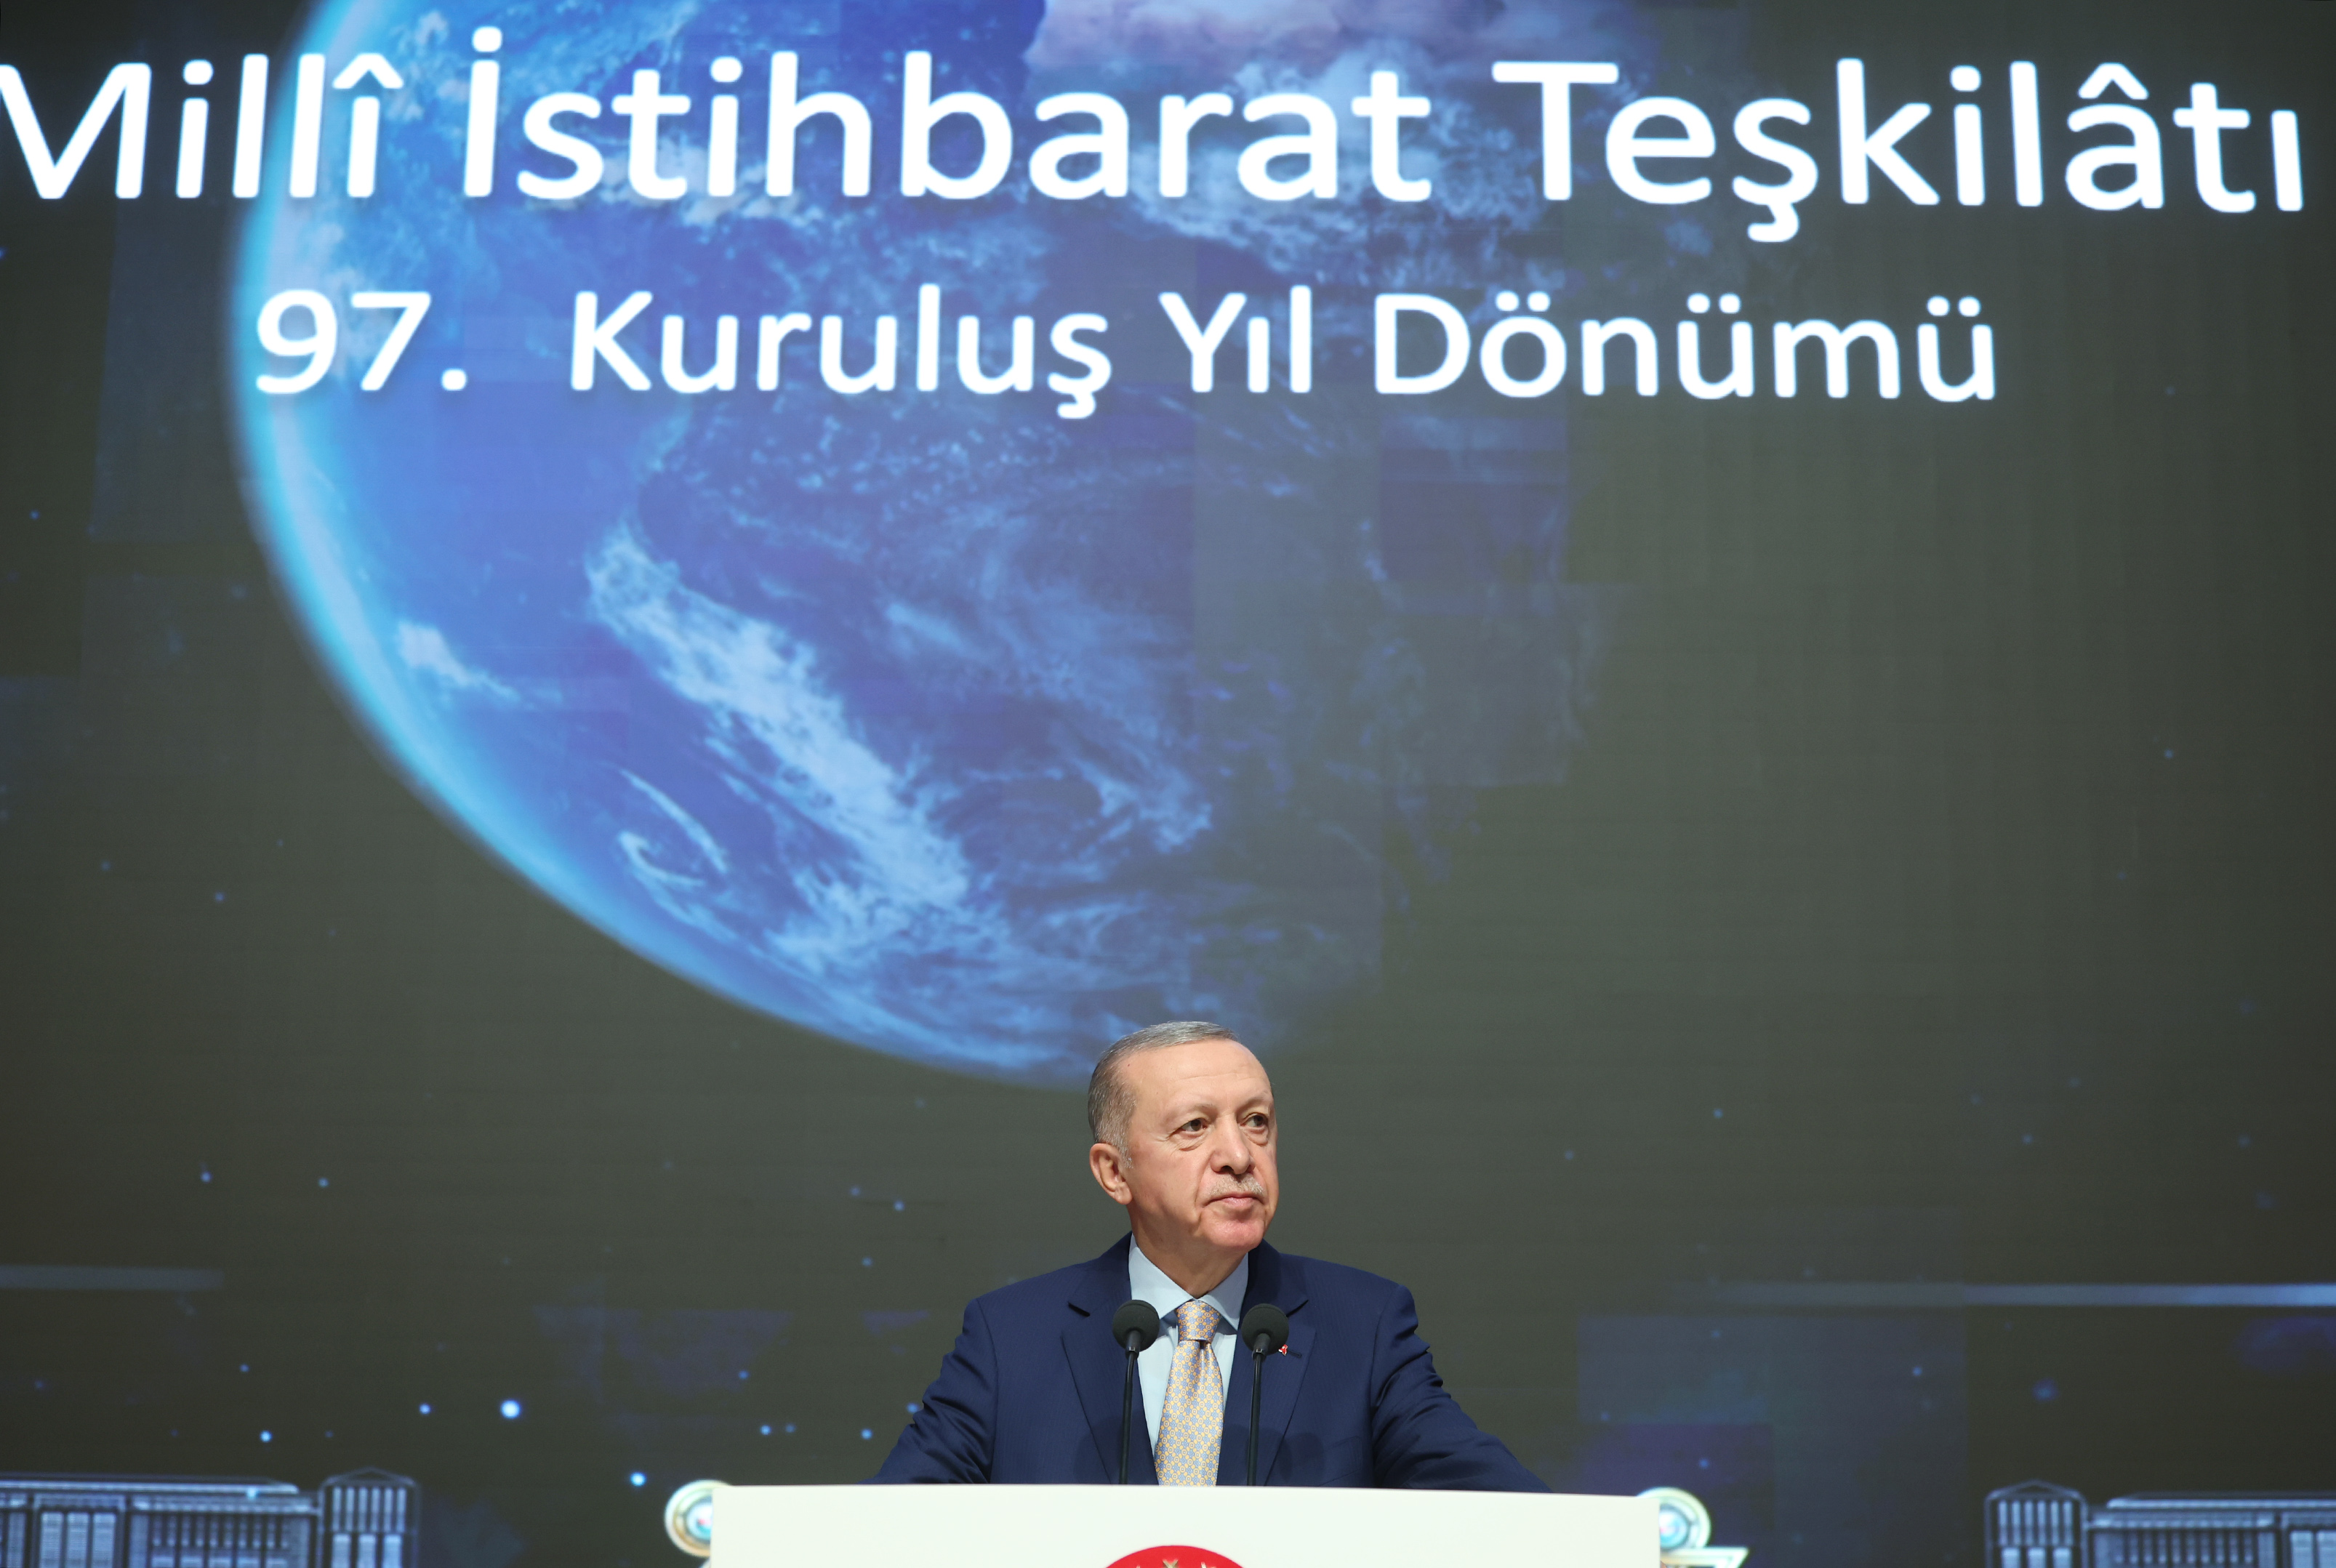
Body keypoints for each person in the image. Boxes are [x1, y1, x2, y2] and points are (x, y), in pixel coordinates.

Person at [873, 1021, 1546, 1487]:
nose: (1238, 1155)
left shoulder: (1364, 1325)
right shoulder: (1008, 1336)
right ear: (1114, 1172)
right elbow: (886, 1526)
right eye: (1195, 1126)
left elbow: (1497, 1503)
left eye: (1256, 1120)